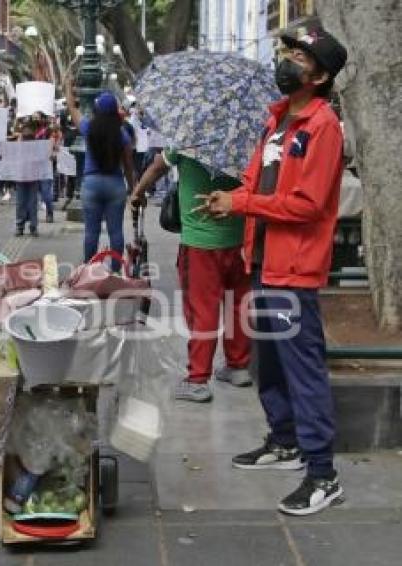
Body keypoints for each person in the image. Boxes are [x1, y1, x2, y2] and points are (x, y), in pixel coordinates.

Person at [197, 28, 348, 516]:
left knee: (302, 371)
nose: (287, 61)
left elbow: (307, 204)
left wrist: (241, 202)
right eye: (287, 51)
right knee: (268, 363)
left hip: (294, 270)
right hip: (260, 262)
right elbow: (258, 178)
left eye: (300, 56)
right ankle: (284, 441)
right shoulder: (278, 121)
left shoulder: (323, 127)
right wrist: (229, 195)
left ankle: (323, 473)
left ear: (320, 75)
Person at [130, 151, 251, 403]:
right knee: (237, 305)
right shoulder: (247, 138)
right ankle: (238, 367)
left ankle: (197, 379)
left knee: (202, 309)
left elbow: (156, 167)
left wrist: (138, 192)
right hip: (239, 239)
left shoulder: (188, 135)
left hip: (199, 243)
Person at [63, 80, 135, 267]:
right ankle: (116, 271)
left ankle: (90, 269)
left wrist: (68, 87)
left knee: (91, 231)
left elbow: (71, 107)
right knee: (116, 231)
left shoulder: (88, 128)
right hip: (115, 184)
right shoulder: (122, 134)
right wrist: (134, 190)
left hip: (92, 183)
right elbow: (128, 166)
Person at [14, 120, 39, 237]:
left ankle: (32, 226)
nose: (27, 132)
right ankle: (20, 225)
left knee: (32, 203)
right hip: (21, 176)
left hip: (32, 177)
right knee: (21, 203)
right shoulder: (18, 144)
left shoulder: (37, 145)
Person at [33, 111, 57, 223]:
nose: (35, 120)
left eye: (37, 118)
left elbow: (53, 143)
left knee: (46, 192)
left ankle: (49, 213)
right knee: (33, 192)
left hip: (45, 164)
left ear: (43, 118)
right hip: (33, 164)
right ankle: (31, 214)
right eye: (33, 118)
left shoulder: (48, 130)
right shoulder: (31, 130)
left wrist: (52, 152)